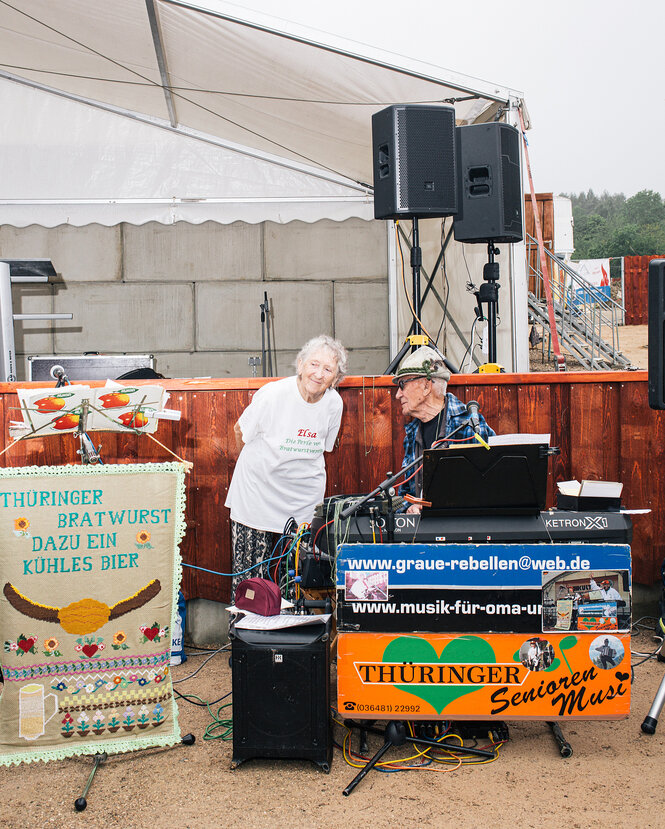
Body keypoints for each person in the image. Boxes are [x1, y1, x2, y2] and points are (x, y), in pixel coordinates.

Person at [225, 335, 347, 598]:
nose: (319, 374)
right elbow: (240, 432)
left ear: (335, 378)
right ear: (301, 364)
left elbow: (324, 448)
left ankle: (289, 636)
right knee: (251, 582)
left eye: (328, 369)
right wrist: (254, 469)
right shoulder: (273, 394)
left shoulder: (334, 403)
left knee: (292, 583)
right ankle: (247, 635)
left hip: (301, 504)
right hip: (256, 497)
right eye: (314, 364)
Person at [393, 346, 495, 511]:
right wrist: (409, 507)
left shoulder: (469, 425)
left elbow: (488, 487)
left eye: (402, 384)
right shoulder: (412, 434)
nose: (398, 395)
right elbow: (406, 494)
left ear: (426, 387)